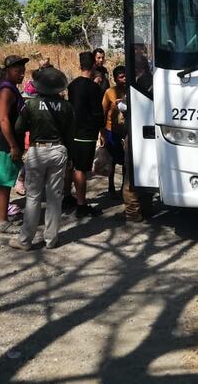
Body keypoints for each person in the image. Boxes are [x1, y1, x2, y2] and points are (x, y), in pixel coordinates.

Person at [10, 66, 74, 250]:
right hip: (58, 150)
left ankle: (25, 240)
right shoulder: (66, 106)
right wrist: (70, 157)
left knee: (33, 197)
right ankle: (51, 239)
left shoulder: (30, 105)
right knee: (55, 197)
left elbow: (19, 128)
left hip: (37, 151)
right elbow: (70, 134)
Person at [0, 55, 28, 233]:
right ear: (7, 71)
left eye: (23, 71)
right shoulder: (6, 91)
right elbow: (4, 119)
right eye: (17, 71)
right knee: (5, 183)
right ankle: (3, 221)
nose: (21, 74)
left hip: (8, 142)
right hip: (7, 143)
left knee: (2, 180)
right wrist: (13, 145)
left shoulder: (11, 88)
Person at [66, 51, 104, 218]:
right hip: (87, 132)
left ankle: (67, 197)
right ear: (94, 66)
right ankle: (82, 205)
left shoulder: (72, 85)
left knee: (71, 165)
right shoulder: (94, 87)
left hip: (73, 131)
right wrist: (102, 131)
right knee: (81, 168)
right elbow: (97, 112)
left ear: (79, 65)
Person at [101, 65, 128, 196]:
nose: (124, 79)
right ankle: (111, 186)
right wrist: (102, 133)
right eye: (121, 77)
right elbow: (103, 112)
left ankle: (124, 186)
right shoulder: (109, 92)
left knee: (125, 161)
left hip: (126, 130)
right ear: (116, 79)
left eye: (125, 76)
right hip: (111, 130)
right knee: (112, 159)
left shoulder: (131, 90)